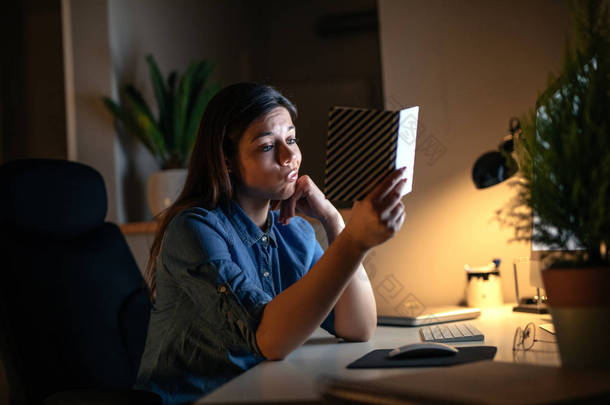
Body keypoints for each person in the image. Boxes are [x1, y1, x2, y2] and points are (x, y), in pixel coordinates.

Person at [135, 83, 407, 404]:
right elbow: (268, 340)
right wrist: (354, 242)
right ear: (227, 160)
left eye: (291, 139)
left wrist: (334, 221)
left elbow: (358, 326)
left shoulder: (295, 233)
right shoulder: (194, 230)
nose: (289, 156)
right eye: (267, 147)